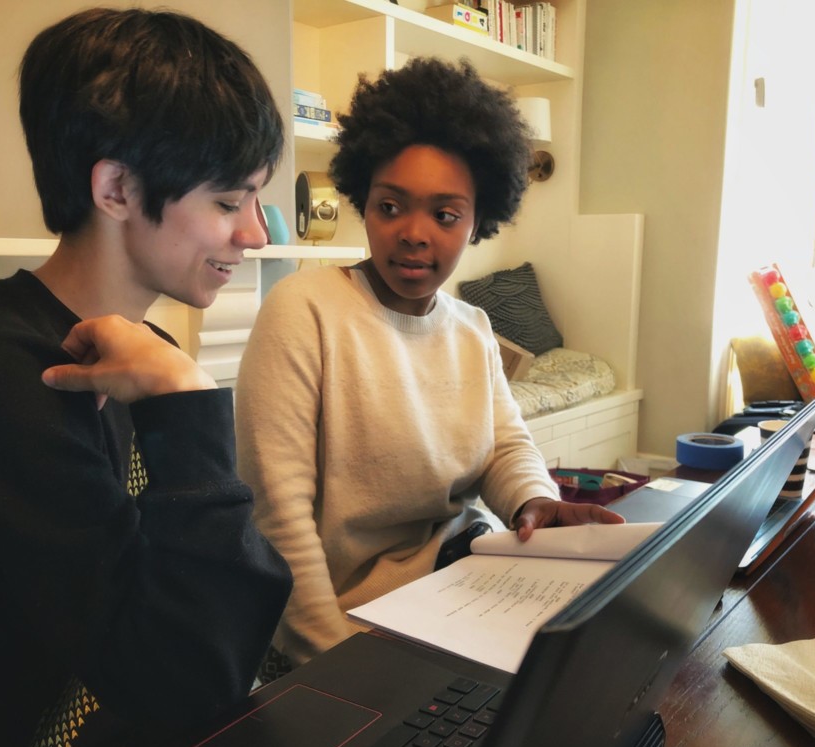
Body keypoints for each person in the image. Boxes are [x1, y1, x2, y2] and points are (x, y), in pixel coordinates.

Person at [0, 9, 293, 747]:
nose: (257, 235)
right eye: (230, 202)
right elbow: (181, 676)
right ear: (117, 188)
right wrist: (192, 407)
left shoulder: (149, 358)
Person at [234, 57, 622, 668]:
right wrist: (336, 665)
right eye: (391, 207)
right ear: (364, 200)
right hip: (357, 628)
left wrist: (532, 502)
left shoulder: (472, 327)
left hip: (468, 586)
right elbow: (277, 522)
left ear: (477, 222)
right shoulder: (303, 311)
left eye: (445, 215)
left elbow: (503, 446)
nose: (415, 233)